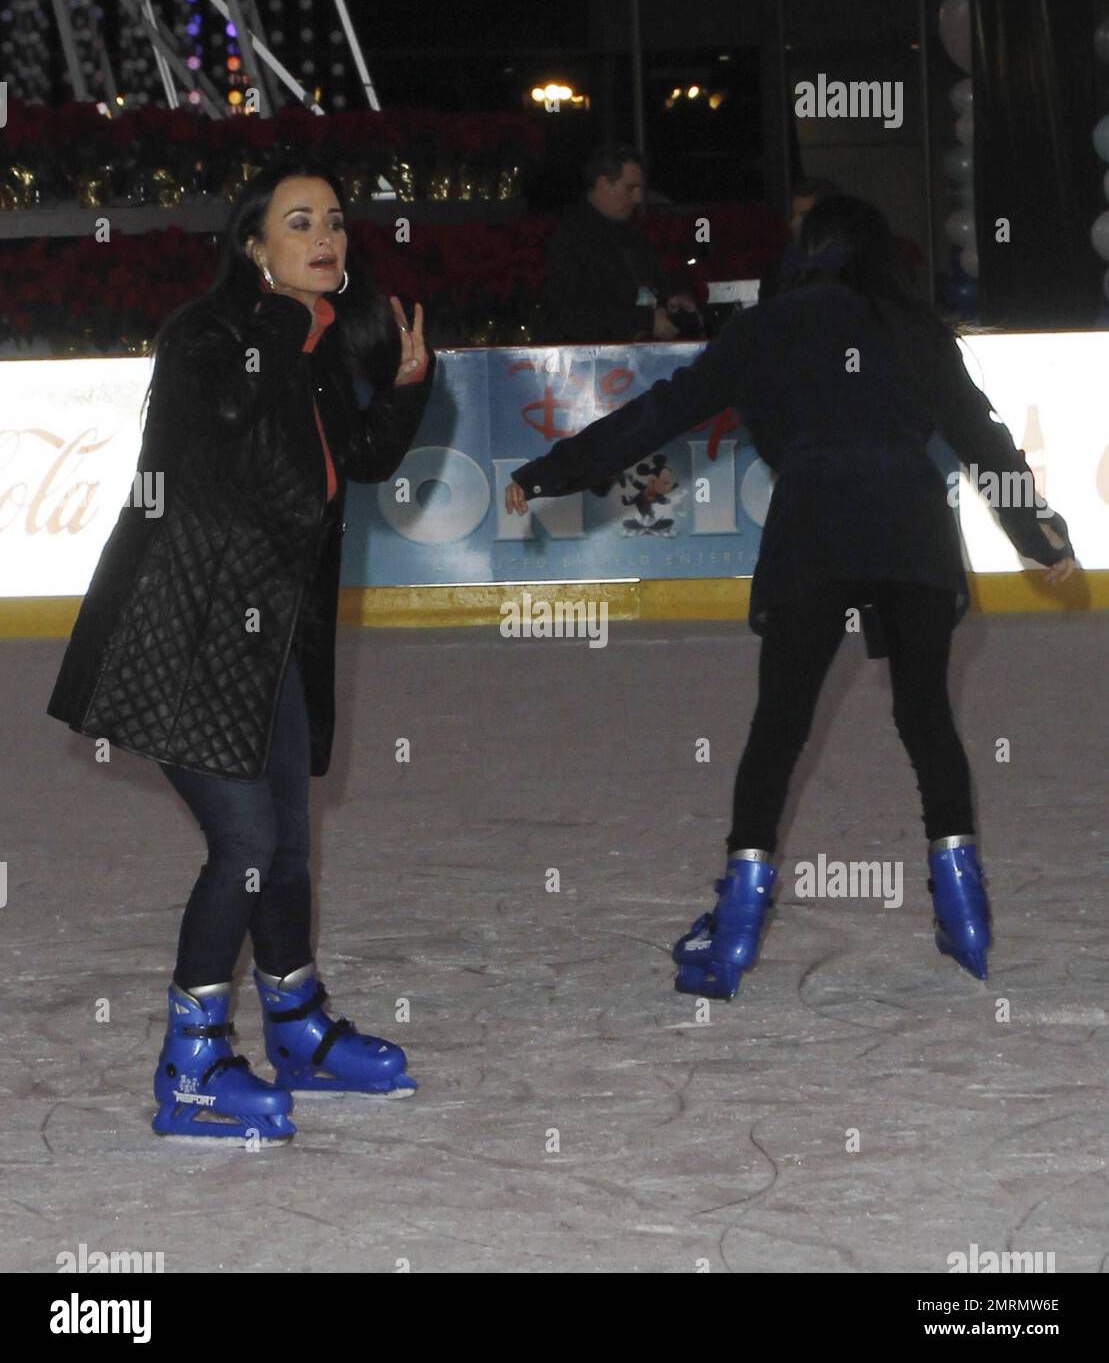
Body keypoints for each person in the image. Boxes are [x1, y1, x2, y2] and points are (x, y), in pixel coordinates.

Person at [506, 194, 1076, 1002]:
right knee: (926, 720)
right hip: (912, 534)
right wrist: (1036, 535)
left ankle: (734, 932)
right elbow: (982, 437)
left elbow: (661, 412)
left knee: (778, 727)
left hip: (815, 532)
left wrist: (550, 471)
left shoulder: (765, 327)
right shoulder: (915, 329)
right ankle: (965, 911)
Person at [46, 156, 436, 1142]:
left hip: (267, 636)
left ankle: (297, 1025)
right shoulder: (207, 335)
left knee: (290, 848)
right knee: (249, 849)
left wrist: (403, 384)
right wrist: (281, 316)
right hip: (177, 632)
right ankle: (189, 1065)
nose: (328, 238)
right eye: (300, 222)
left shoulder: (306, 343)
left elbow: (360, 464)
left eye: (337, 222)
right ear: (253, 246)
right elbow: (218, 417)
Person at [542, 142, 702, 343]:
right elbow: (572, 313)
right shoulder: (569, 240)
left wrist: (672, 298)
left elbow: (652, 285)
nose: (638, 198)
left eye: (640, 188)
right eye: (630, 188)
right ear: (602, 184)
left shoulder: (633, 236)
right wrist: (643, 321)